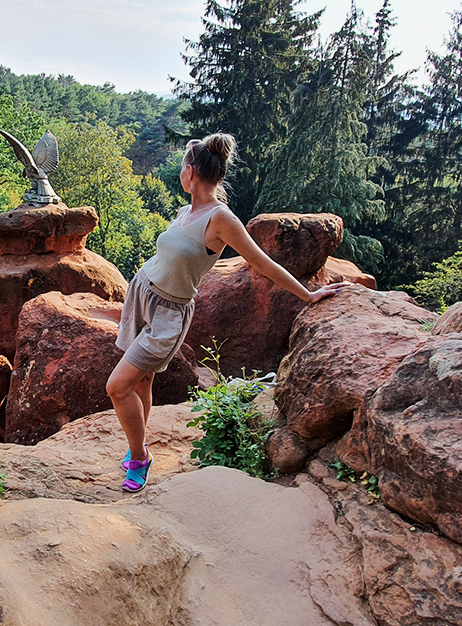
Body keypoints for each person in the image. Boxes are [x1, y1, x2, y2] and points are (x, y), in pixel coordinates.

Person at [106, 133, 351, 493]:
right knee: (142, 380)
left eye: (181, 168)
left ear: (190, 172)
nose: (179, 173)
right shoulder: (184, 211)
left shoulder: (221, 219)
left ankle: (140, 457)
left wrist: (308, 294)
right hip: (143, 294)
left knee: (117, 387)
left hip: (170, 313)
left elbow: (261, 263)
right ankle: (138, 449)